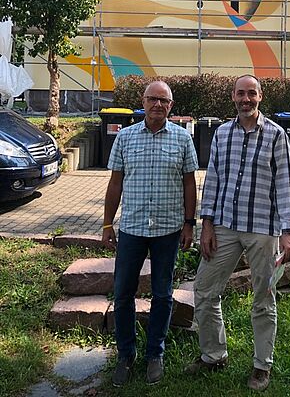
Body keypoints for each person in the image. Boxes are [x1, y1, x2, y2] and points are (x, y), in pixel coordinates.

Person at [186, 74, 290, 392]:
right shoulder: (222, 133)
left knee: (264, 298)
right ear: (233, 97)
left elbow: (283, 184)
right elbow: (213, 179)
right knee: (204, 290)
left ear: (260, 97)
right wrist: (207, 224)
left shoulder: (276, 135)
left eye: (251, 93)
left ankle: (262, 365)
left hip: (263, 229)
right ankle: (213, 355)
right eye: (240, 93)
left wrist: (288, 230)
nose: (246, 99)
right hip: (224, 226)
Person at [102, 81, 198, 387]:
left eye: (163, 100)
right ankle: (125, 354)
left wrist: (189, 223)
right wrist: (107, 224)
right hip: (132, 228)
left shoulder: (183, 138)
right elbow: (115, 183)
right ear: (143, 102)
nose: (158, 104)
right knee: (123, 293)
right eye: (152, 99)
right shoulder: (125, 137)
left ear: (171, 106)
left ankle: (155, 353)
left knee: (162, 293)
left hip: (168, 229)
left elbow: (190, 184)